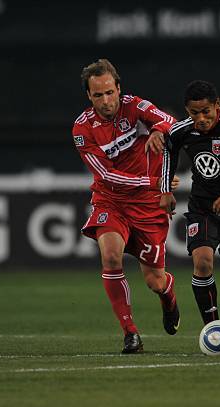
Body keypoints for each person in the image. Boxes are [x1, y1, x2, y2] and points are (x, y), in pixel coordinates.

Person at [71, 59, 181, 354]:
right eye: (98, 95)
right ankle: (130, 332)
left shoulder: (135, 107)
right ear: (89, 97)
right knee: (110, 257)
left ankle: (168, 296)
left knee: (155, 281)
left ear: (119, 88)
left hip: (148, 206)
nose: (106, 101)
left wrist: (158, 131)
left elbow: (171, 122)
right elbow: (105, 175)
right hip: (112, 200)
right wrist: (153, 181)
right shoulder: (83, 129)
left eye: (110, 92)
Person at [146, 80, 220, 339]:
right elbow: (169, 153)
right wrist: (165, 190)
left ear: (217, 106)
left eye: (206, 112)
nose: (200, 119)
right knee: (202, 263)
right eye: (193, 113)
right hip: (202, 207)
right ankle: (213, 328)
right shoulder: (182, 131)